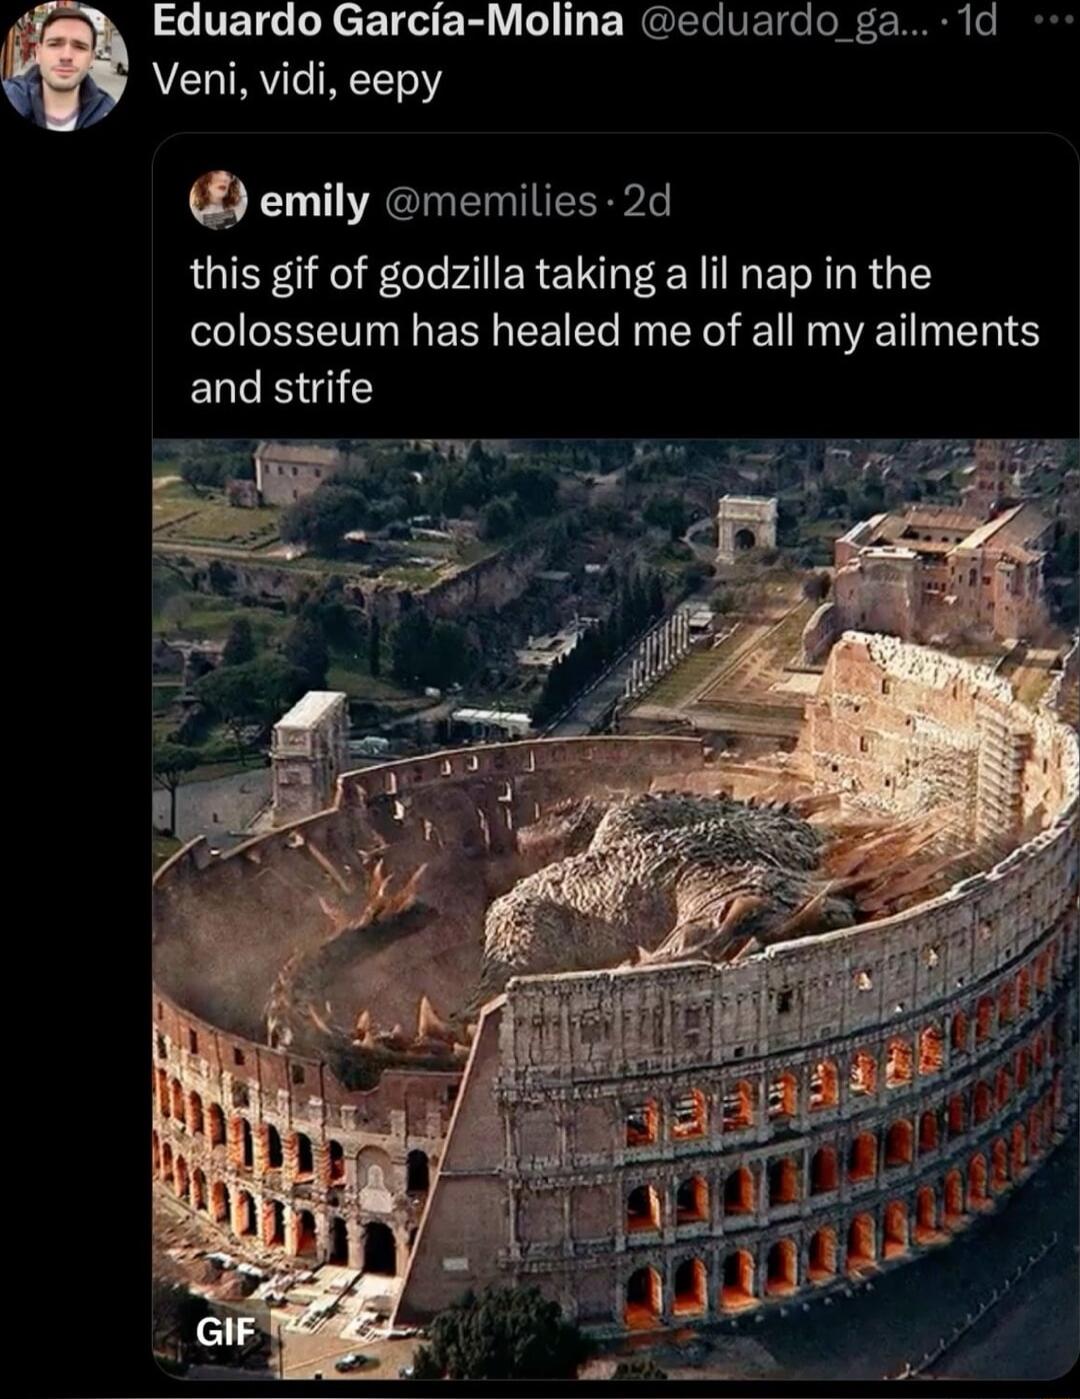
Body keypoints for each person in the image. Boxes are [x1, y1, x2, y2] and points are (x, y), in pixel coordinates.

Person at [3, 7, 115, 131]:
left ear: (91, 59)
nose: (66, 56)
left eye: (80, 47)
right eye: (54, 44)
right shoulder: (11, 95)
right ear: (38, 54)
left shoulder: (106, 109)